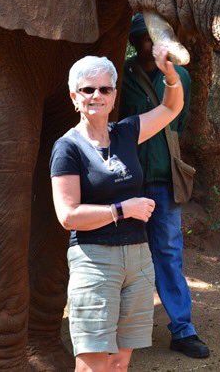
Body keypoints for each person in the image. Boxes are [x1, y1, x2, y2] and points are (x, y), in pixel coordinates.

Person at [50, 50, 184, 372]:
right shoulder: (67, 148)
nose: (97, 96)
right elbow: (67, 215)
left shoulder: (126, 132)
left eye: (105, 89)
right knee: (93, 363)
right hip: (95, 261)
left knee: (120, 362)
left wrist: (171, 76)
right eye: (87, 89)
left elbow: (170, 107)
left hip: (138, 260)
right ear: (74, 97)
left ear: (113, 96)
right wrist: (121, 210)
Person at [119, 14, 209, 359]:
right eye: (140, 38)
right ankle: (123, 328)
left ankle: (183, 329)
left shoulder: (180, 76)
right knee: (124, 255)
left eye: (151, 39)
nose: (146, 45)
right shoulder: (121, 74)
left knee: (169, 253)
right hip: (126, 182)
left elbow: (179, 122)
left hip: (163, 178)